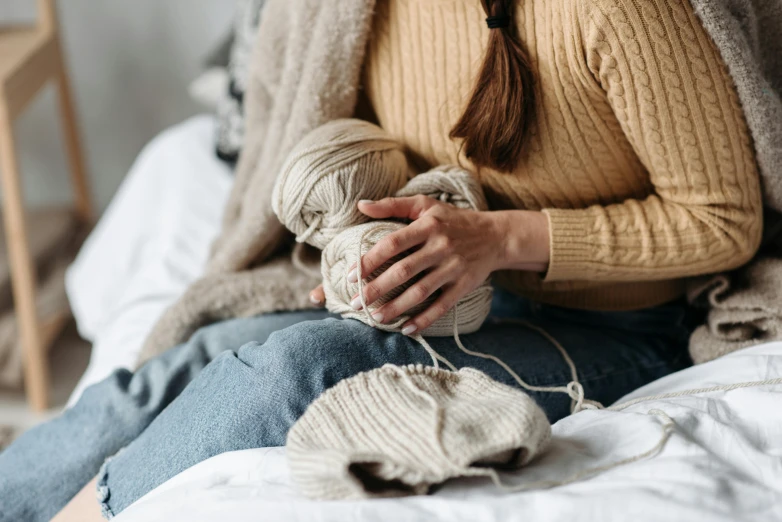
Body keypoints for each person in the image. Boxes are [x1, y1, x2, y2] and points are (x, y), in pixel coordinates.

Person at [0, 0, 762, 520]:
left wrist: (498, 241)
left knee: (296, 370)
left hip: (617, 326)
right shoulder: (356, 12)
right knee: (198, 354)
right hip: (446, 293)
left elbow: (725, 219)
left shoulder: (618, 12)